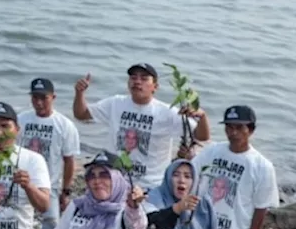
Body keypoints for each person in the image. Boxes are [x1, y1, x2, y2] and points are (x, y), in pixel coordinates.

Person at [71, 63, 211, 190]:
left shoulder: (166, 112)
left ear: (155, 87)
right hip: (115, 180)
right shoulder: (115, 103)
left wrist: (202, 116)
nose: (137, 81)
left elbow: (202, 136)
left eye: (144, 78)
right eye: (133, 77)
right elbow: (82, 115)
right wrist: (79, 93)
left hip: (151, 184)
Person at [16, 78, 81, 229]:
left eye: (43, 98)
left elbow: (69, 161)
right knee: (19, 218)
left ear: (53, 97)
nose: (38, 103)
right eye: (35, 97)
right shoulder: (21, 120)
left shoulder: (64, 125)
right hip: (21, 181)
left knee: (52, 224)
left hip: (49, 184)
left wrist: (66, 191)